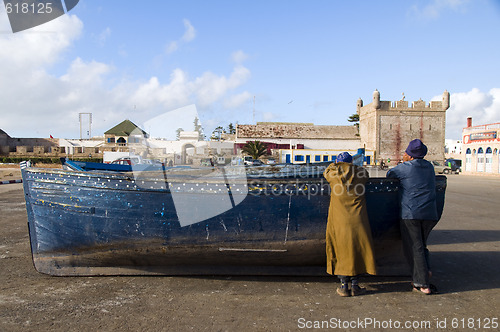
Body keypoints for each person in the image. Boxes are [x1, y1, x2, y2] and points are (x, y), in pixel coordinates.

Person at [386, 139, 439, 295]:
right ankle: (426, 272)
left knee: (414, 247)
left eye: (406, 153)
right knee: (422, 245)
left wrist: (403, 162)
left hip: (412, 213)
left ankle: (422, 283)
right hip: (430, 213)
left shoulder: (404, 168)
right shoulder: (429, 167)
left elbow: (390, 174)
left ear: (409, 155)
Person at [323, 152, 377, 297]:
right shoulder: (361, 175)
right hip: (358, 220)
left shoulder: (333, 175)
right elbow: (365, 172)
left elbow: (326, 171)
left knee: (341, 251)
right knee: (357, 251)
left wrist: (334, 164)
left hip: (339, 222)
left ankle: (343, 286)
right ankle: (355, 285)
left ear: (337, 162)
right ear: (351, 162)